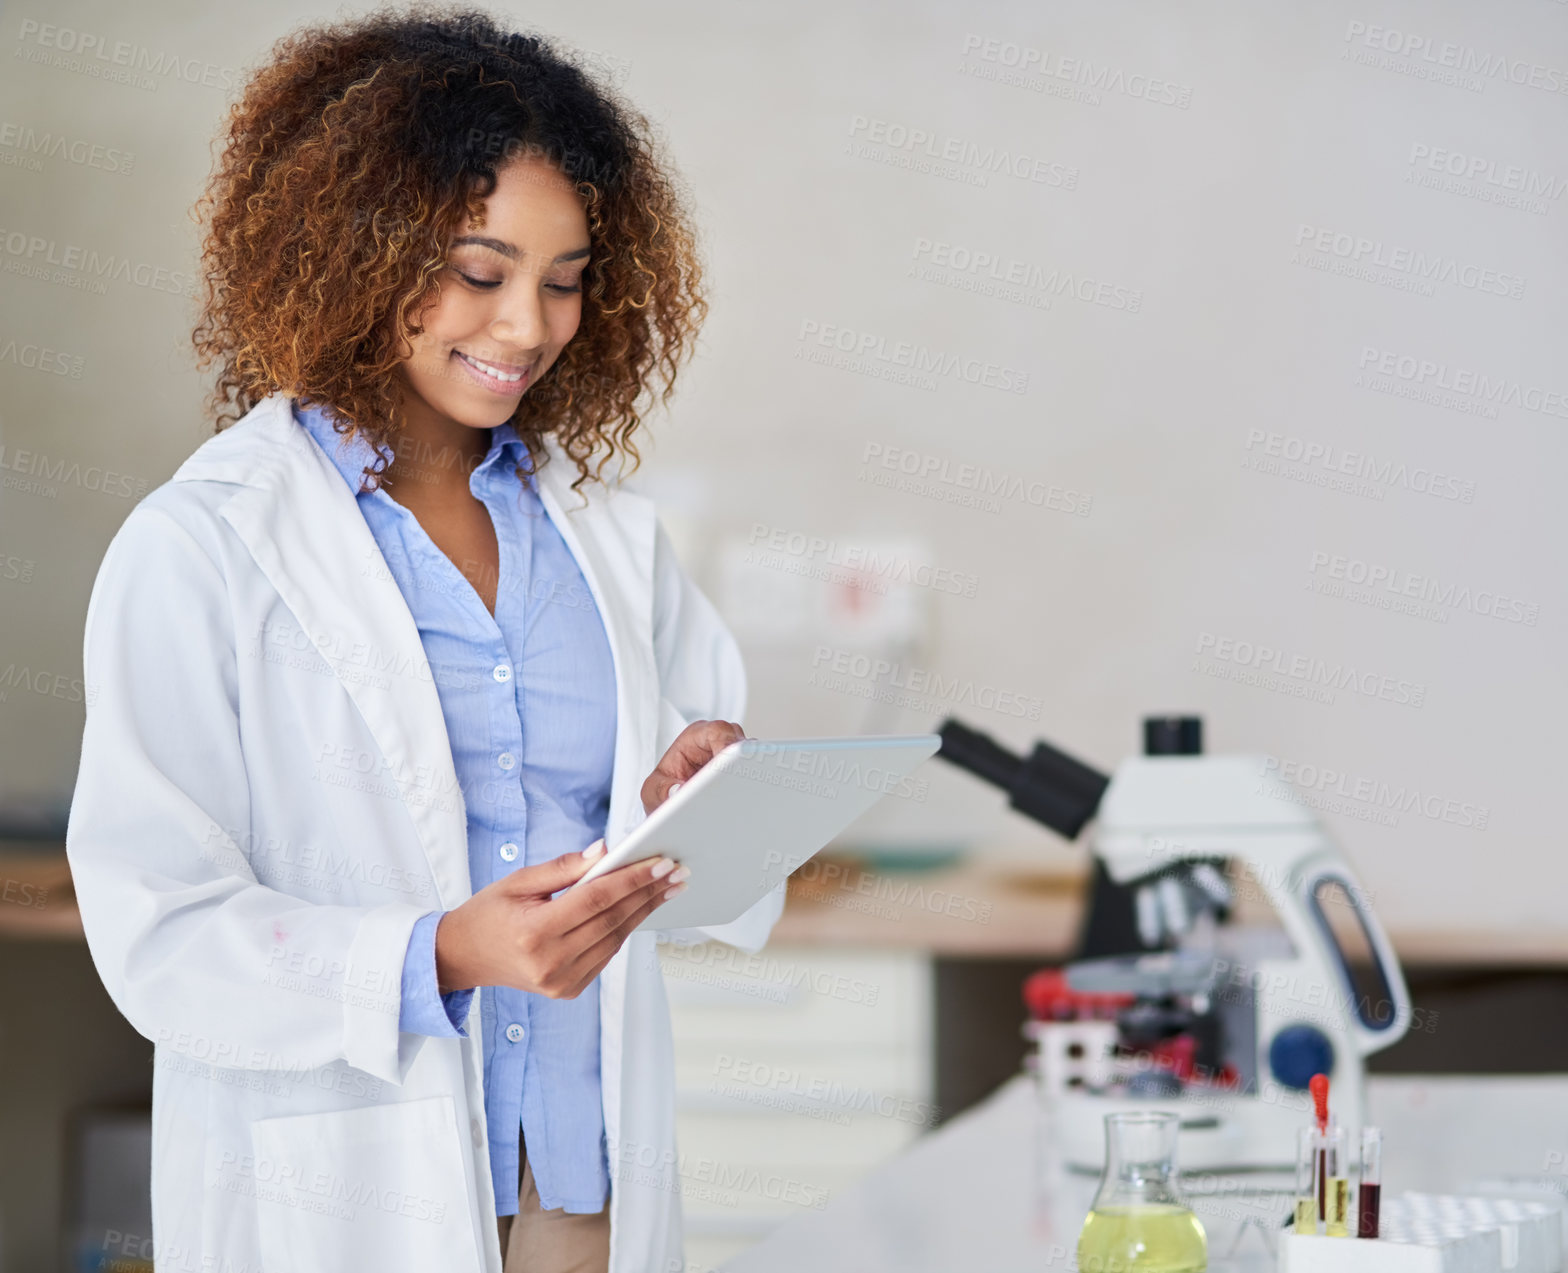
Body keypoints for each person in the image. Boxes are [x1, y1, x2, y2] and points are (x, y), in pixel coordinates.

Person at [64, 9, 783, 1272]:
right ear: (355, 249)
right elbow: (159, 930)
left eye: (563, 282)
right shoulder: (206, 544)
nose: (526, 328)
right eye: (478, 270)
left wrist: (692, 793)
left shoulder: (605, 542)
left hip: (579, 1185)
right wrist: (437, 949)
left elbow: (692, 866)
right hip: (344, 1193)